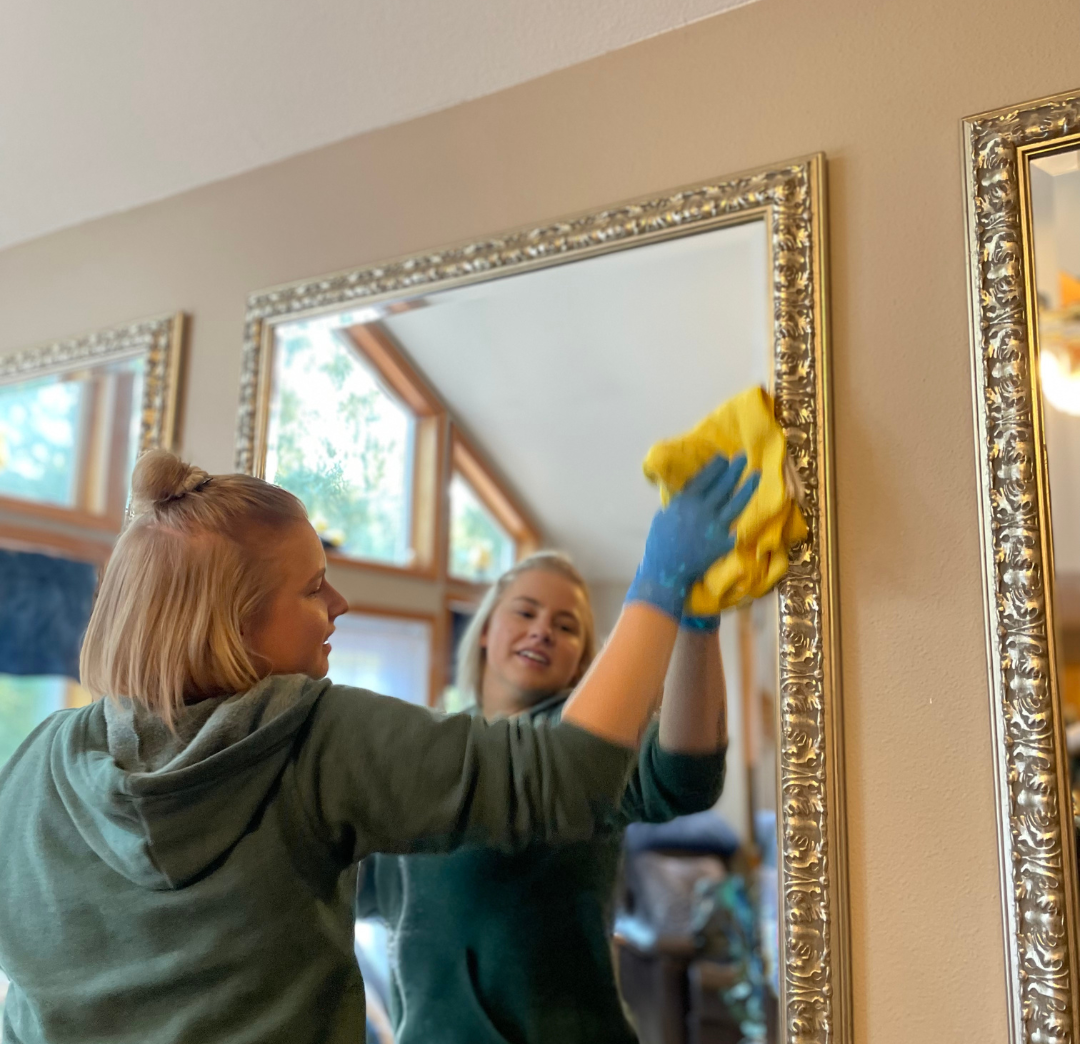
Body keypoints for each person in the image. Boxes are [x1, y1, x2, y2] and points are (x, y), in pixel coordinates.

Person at [0, 447, 757, 1044]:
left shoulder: (37, 757)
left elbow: (672, 778)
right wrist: (660, 583)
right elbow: (554, 780)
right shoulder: (327, 738)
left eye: (568, 625)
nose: (341, 604)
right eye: (312, 588)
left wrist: (695, 623)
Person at [356, 542, 735, 1044]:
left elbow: (686, 774)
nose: (542, 630)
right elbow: (362, 889)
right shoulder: (437, 741)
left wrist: (697, 623)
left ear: (582, 660)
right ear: (486, 629)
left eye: (565, 625)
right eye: (527, 611)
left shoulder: (588, 749)